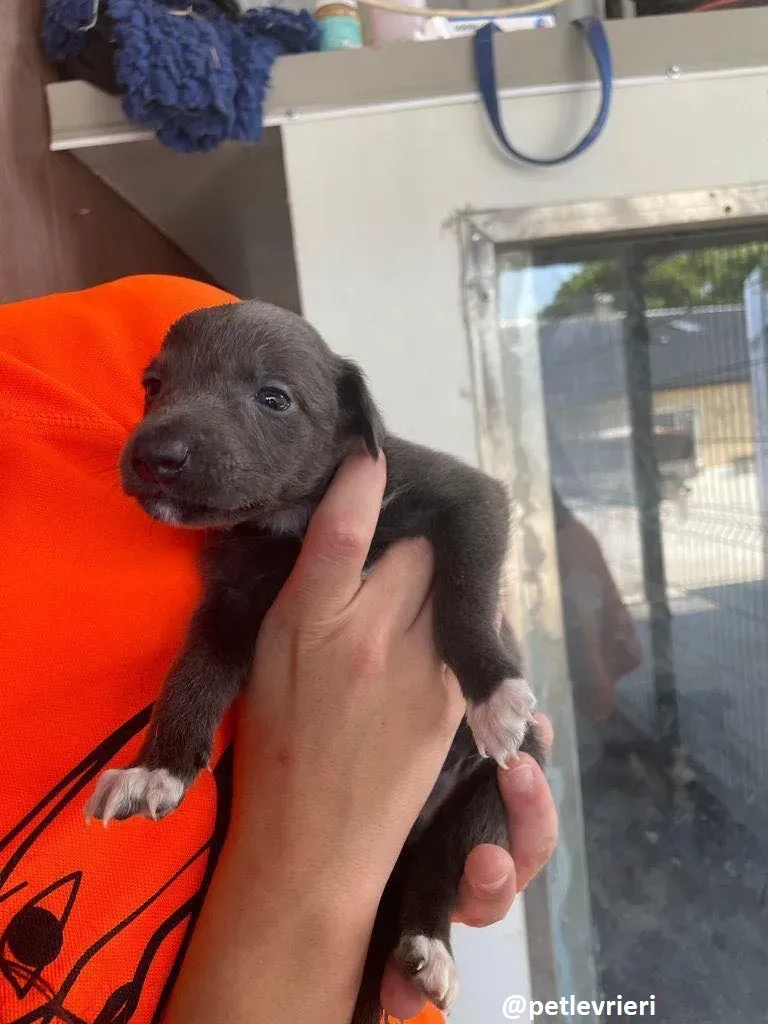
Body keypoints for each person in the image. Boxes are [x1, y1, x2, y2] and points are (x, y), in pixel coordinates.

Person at [0, 275, 557, 1024]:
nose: (166, 430)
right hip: (317, 939)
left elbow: (479, 501)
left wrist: (479, 664)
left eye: (270, 401)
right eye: (158, 388)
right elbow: (220, 636)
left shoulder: (375, 470)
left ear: (349, 424)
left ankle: (425, 923)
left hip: (457, 765)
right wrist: (177, 759)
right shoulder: (241, 544)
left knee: (497, 803)